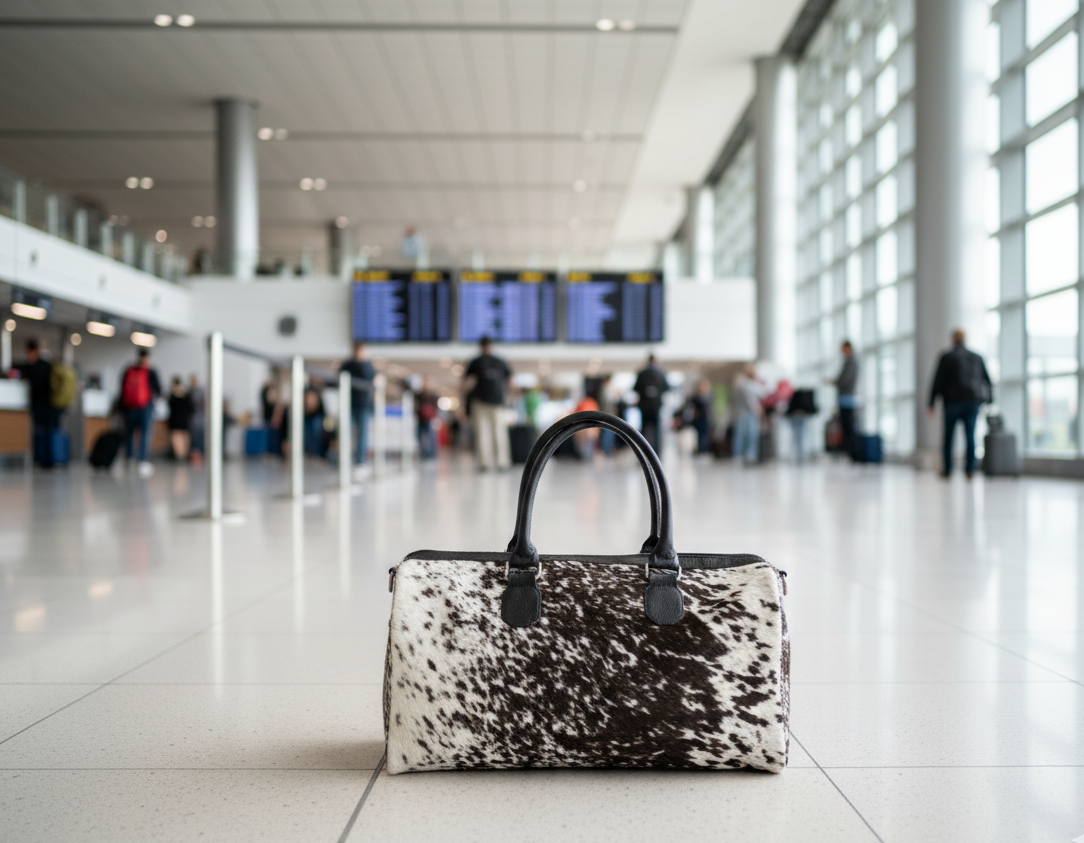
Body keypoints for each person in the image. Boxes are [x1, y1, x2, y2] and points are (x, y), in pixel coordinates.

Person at [928, 328, 993, 479]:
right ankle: (970, 469)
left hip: (952, 402)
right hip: (972, 402)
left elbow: (937, 381)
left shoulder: (946, 357)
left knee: (948, 437)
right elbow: (987, 380)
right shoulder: (976, 357)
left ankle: (947, 469)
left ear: (953, 339)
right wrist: (990, 400)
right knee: (970, 436)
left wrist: (931, 403)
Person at [463, 336, 512, 471]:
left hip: (490, 402)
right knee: (491, 433)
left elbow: (466, 382)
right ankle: (496, 462)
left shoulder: (483, 361)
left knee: (491, 433)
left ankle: (492, 462)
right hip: (485, 402)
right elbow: (510, 381)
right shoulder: (485, 361)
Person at [120, 349, 162, 477]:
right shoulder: (150, 371)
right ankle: (142, 460)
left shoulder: (129, 370)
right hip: (145, 407)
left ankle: (130, 458)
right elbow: (159, 389)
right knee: (144, 433)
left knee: (130, 433)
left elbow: (122, 389)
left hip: (129, 407)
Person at [16, 339, 57, 468]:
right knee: (45, 431)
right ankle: (45, 459)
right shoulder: (44, 365)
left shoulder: (39, 366)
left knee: (43, 432)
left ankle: (44, 459)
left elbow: (38, 385)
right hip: (47, 405)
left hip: (43, 405)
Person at [340, 343, 376, 478]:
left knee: (362, 435)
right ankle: (345, 460)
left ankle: (360, 462)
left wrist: (362, 364)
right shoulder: (348, 365)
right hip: (349, 404)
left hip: (364, 405)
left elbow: (370, 378)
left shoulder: (368, 366)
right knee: (346, 433)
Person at [828, 341, 860, 461]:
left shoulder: (852, 362)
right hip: (845, 398)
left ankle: (852, 454)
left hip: (848, 399)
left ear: (848, 348)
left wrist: (835, 382)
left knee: (849, 427)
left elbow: (845, 380)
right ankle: (849, 453)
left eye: (843, 349)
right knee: (846, 427)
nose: (842, 352)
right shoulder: (849, 362)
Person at [633, 354, 668, 454]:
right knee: (656, 432)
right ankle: (657, 454)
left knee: (643, 431)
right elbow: (667, 387)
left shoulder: (642, 373)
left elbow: (635, 388)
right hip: (656, 407)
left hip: (644, 407)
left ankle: (643, 452)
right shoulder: (661, 373)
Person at [730, 364, 765, 465]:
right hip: (743, 413)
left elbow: (761, 394)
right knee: (741, 435)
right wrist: (756, 408)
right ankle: (738, 455)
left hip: (752, 413)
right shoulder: (742, 383)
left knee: (752, 435)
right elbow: (747, 398)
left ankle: (751, 455)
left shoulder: (754, 383)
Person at [785, 387, 819, 465]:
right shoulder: (797, 394)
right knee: (799, 437)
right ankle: (799, 457)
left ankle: (800, 457)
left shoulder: (798, 395)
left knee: (799, 437)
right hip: (797, 416)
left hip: (798, 416)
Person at [167, 376, 194, 461]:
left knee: (185, 438)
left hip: (184, 421)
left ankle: (184, 455)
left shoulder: (186, 397)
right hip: (175, 422)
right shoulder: (172, 397)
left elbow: (191, 408)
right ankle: (179, 456)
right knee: (176, 438)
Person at [414, 378, 439, 460]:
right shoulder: (419, 394)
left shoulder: (433, 395)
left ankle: (431, 453)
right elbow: (416, 406)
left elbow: (435, 407)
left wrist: (436, 417)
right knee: (419, 436)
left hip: (429, 418)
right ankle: (422, 452)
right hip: (421, 418)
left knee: (431, 436)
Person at [188, 374, 206, 465]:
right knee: (194, 436)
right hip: (193, 417)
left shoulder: (202, 392)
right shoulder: (189, 392)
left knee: (201, 435)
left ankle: (200, 453)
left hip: (201, 417)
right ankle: (194, 453)